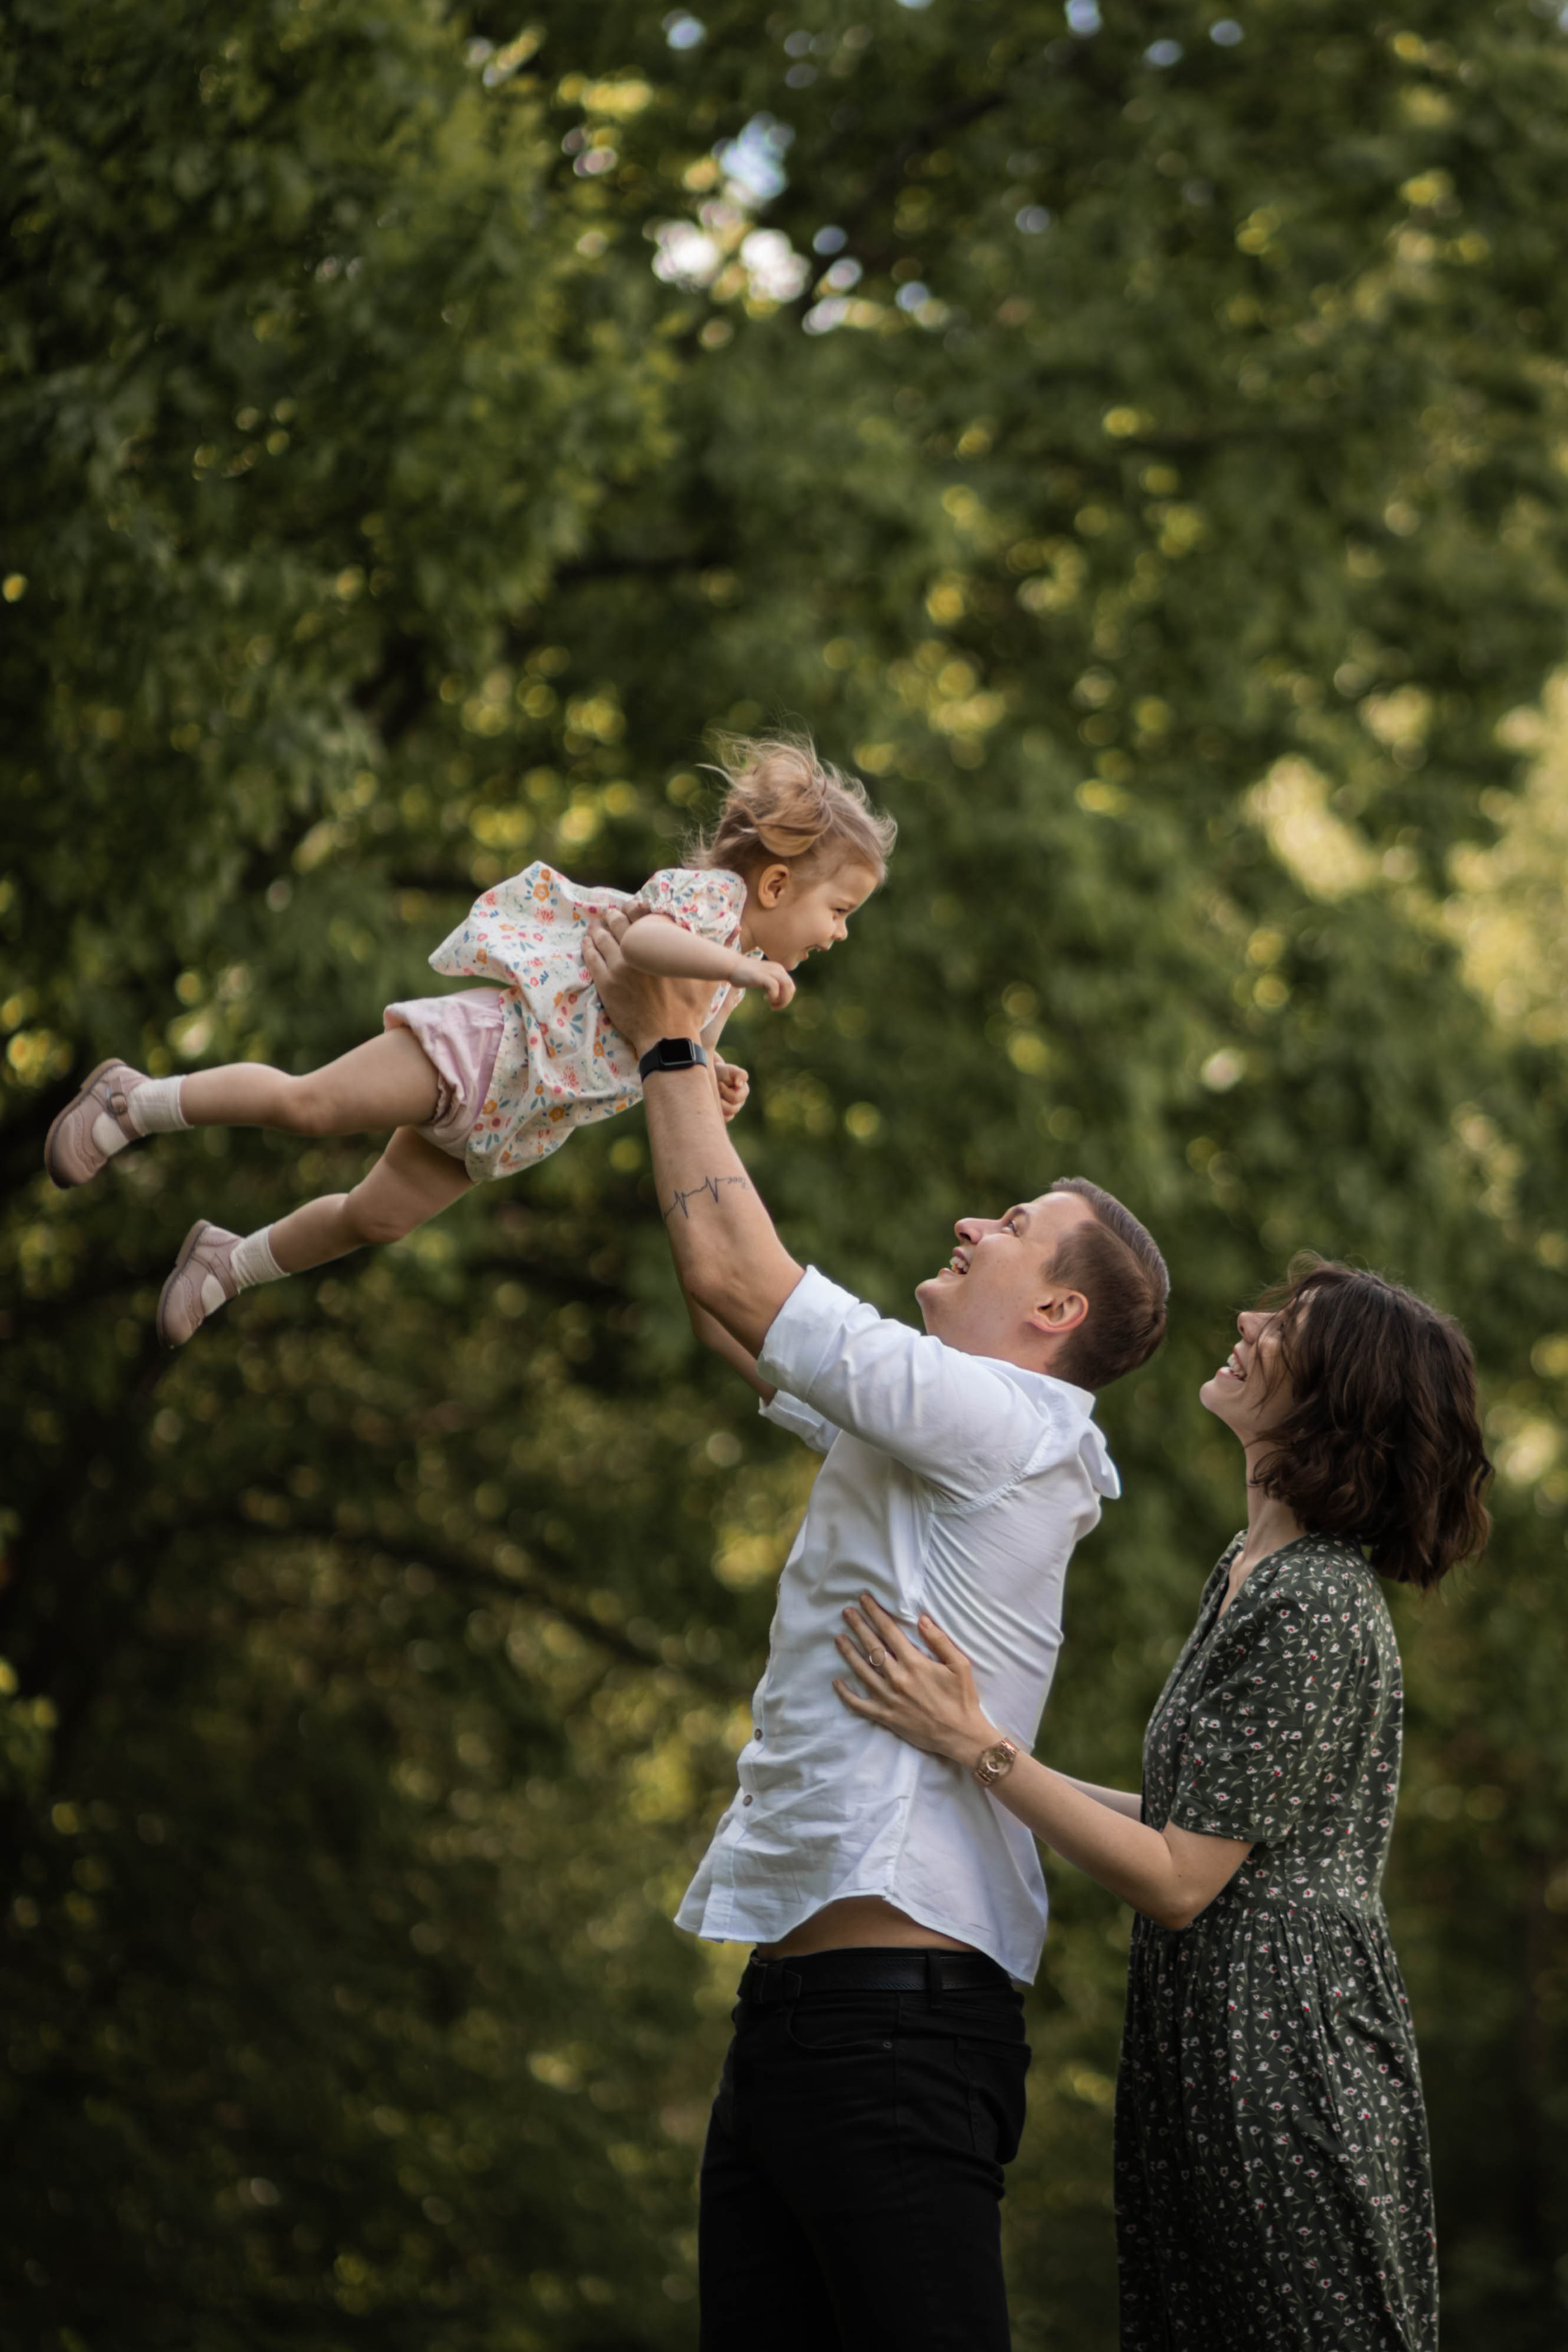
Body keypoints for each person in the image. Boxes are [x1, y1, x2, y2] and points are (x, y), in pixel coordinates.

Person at [581, 919, 1169, 2352]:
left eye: (1010, 1226)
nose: (971, 1224)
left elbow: (741, 1279)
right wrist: (686, 1070)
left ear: (1051, 1307)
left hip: (895, 2029)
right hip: (796, 2017)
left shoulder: (1006, 1425)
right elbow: (732, 1317)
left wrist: (663, 1042)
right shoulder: (932, 1427)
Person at [832, 1259, 1493, 2352]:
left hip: (1290, 2057)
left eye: (1288, 1325)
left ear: (1337, 1396)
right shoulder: (1249, 1567)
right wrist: (970, 1752)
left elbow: (1183, 1879)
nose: (1247, 1320)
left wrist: (981, 1746)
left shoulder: (1318, 1601)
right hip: (1213, 2039)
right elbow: (1193, 1819)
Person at [43, 735, 892, 1346]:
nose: (840, 935)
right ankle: (135, 1100)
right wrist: (738, 974)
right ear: (776, 883)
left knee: (376, 1219)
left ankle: (231, 1263)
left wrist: (713, 1076)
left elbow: (668, 1045)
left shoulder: (729, 963)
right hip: (492, 1049)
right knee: (311, 1105)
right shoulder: (711, 906)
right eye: (840, 912)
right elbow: (640, 947)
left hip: (519, 1116)